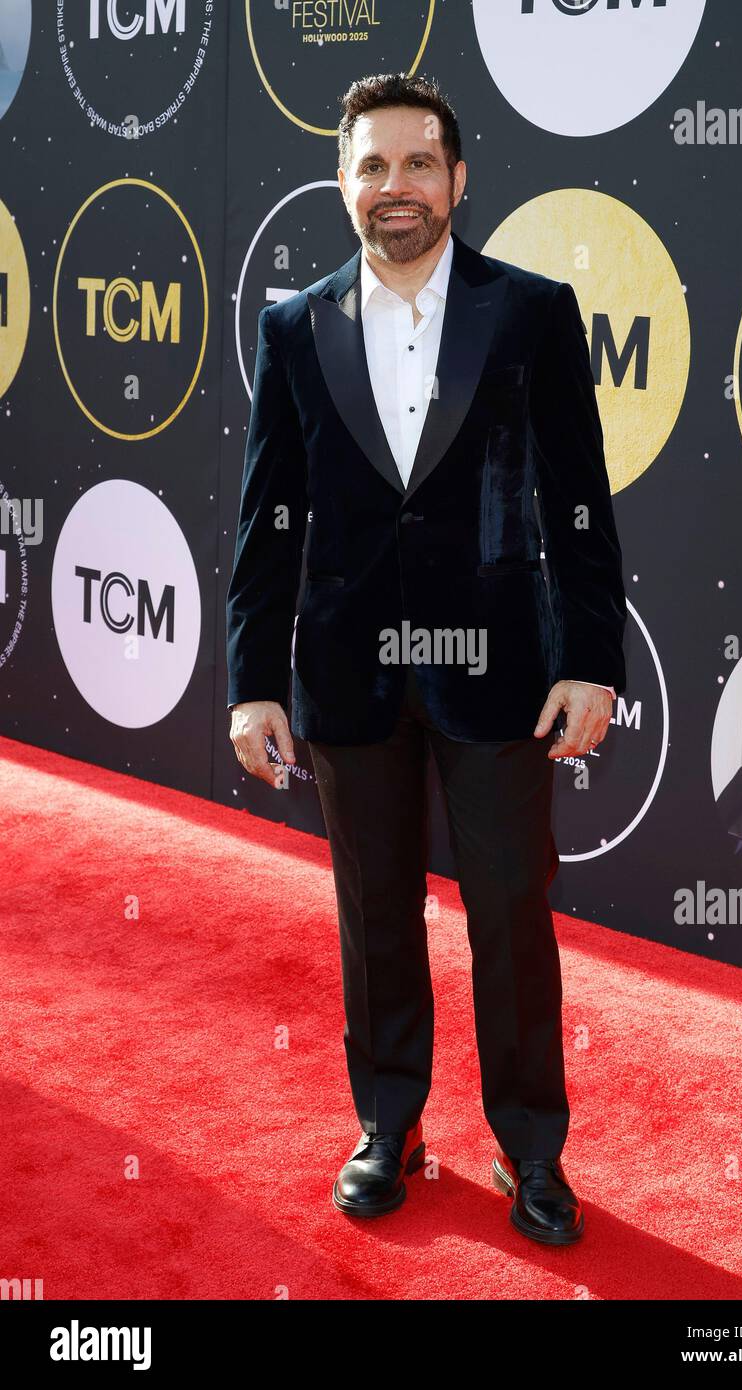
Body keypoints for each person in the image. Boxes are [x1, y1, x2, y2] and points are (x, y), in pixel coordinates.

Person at [226, 73, 627, 1246]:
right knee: (373, 909)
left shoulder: (530, 312)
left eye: (415, 164)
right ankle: (388, 1124)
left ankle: (530, 1149)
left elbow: (578, 506)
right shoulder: (294, 323)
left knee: (509, 909)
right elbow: (267, 520)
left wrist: (590, 658)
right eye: (370, 166)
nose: (392, 187)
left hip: (499, 667)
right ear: (342, 183)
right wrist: (255, 679)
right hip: (349, 675)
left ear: (456, 178)